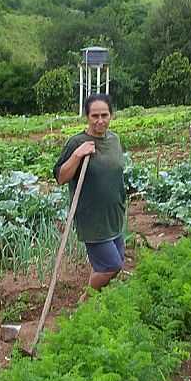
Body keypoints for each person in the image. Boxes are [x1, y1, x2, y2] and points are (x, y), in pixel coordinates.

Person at [53, 93, 126, 297]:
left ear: (111, 115)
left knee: (109, 264)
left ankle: (96, 305)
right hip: (92, 219)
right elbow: (61, 177)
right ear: (87, 116)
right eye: (95, 116)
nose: (100, 120)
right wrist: (77, 155)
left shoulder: (114, 140)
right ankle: (85, 301)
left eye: (104, 115)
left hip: (115, 215)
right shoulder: (76, 142)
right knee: (111, 266)